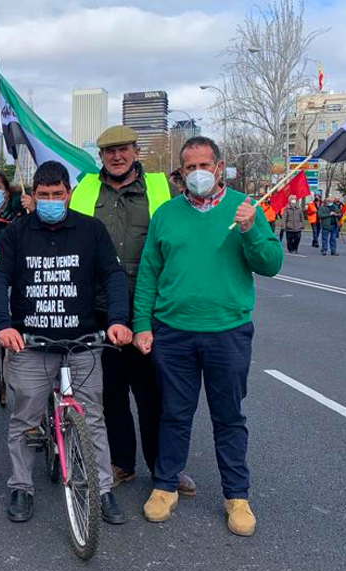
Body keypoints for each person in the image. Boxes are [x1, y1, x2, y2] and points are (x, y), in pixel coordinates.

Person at [133, 136, 283, 537]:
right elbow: (149, 272)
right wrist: (142, 325)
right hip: (174, 332)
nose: (197, 173)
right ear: (180, 173)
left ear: (219, 167)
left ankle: (237, 496)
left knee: (229, 417)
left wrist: (251, 230)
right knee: (174, 414)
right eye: (189, 167)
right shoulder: (166, 214)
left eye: (204, 165)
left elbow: (270, 264)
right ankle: (165, 486)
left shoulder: (244, 210)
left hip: (227, 332)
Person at [0, 160, 134, 524]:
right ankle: (21, 485)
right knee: (24, 419)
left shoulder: (91, 230)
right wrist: (3, 325)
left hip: (82, 343)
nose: (51, 200)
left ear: (68, 194)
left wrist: (118, 320)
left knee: (93, 419)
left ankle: (103, 490)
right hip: (32, 345)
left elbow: (113, 276)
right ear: (33, 197)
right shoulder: (16, 233)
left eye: (57, 194)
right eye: (43, 195)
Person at [67, 125, 191, 495]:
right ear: (100, 157)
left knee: (155, 394)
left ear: (136, 151)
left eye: (123, 150)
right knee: (111, 393)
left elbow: (182, 236)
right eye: (108, 152)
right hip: (101, 309)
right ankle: (122, 463)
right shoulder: (85, 190)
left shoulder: (161, 188)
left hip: (150, 309)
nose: (116, 157)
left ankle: (164, 469)